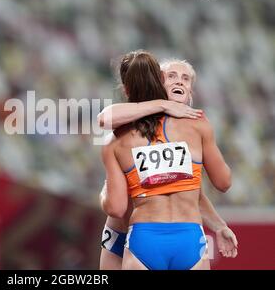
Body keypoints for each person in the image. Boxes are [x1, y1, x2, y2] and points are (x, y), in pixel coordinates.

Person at [98, 58, 238, 269]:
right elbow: (104, 118)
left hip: (144, 234)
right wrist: (164, 104)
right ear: (156, 84)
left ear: (191, 91)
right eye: (171, 76)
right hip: (122, 231)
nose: (179, 82)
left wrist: (219, 225)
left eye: (185, 78)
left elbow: (188, 191)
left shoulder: (192, 125)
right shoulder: (129, 123)